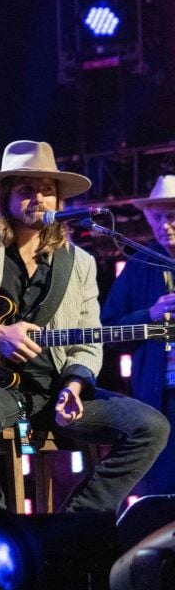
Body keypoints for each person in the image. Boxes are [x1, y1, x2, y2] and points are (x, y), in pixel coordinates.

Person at [0, 140, 168, 512]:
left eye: (48, 190)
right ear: (5, 196)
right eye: (27, 189)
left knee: (150, 427)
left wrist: (75, 385)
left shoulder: (80, 262)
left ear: (60, 201)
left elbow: (88, 341)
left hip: (52, 389)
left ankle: (73, 524)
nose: (39, 198)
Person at [102, 175, 175, 495]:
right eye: (157, 217)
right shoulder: (140, 264)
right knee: (162, 489)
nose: (164, 225)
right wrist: (150, 315)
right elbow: (109, 330)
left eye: (171, 216)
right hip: (161, 397)